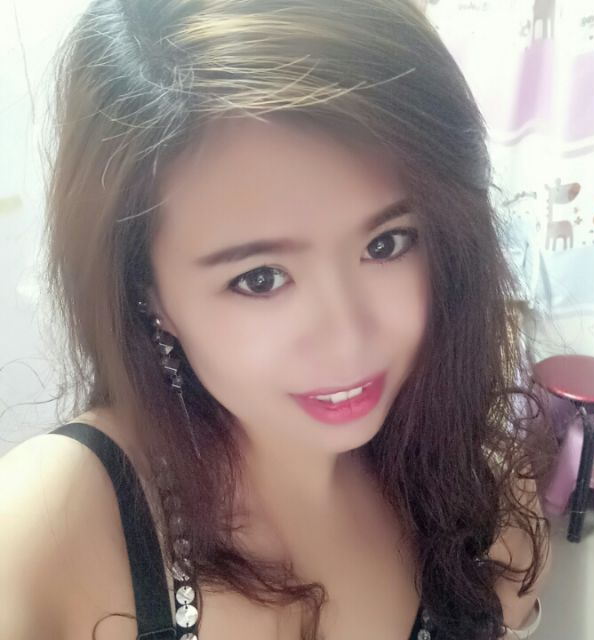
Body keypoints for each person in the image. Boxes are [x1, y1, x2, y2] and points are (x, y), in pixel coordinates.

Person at [0, 1, 554, 639]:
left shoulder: (489, 497)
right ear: (149, 295)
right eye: (259, 278)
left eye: (387, 244)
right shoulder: (49, 531)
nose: (348, 339)